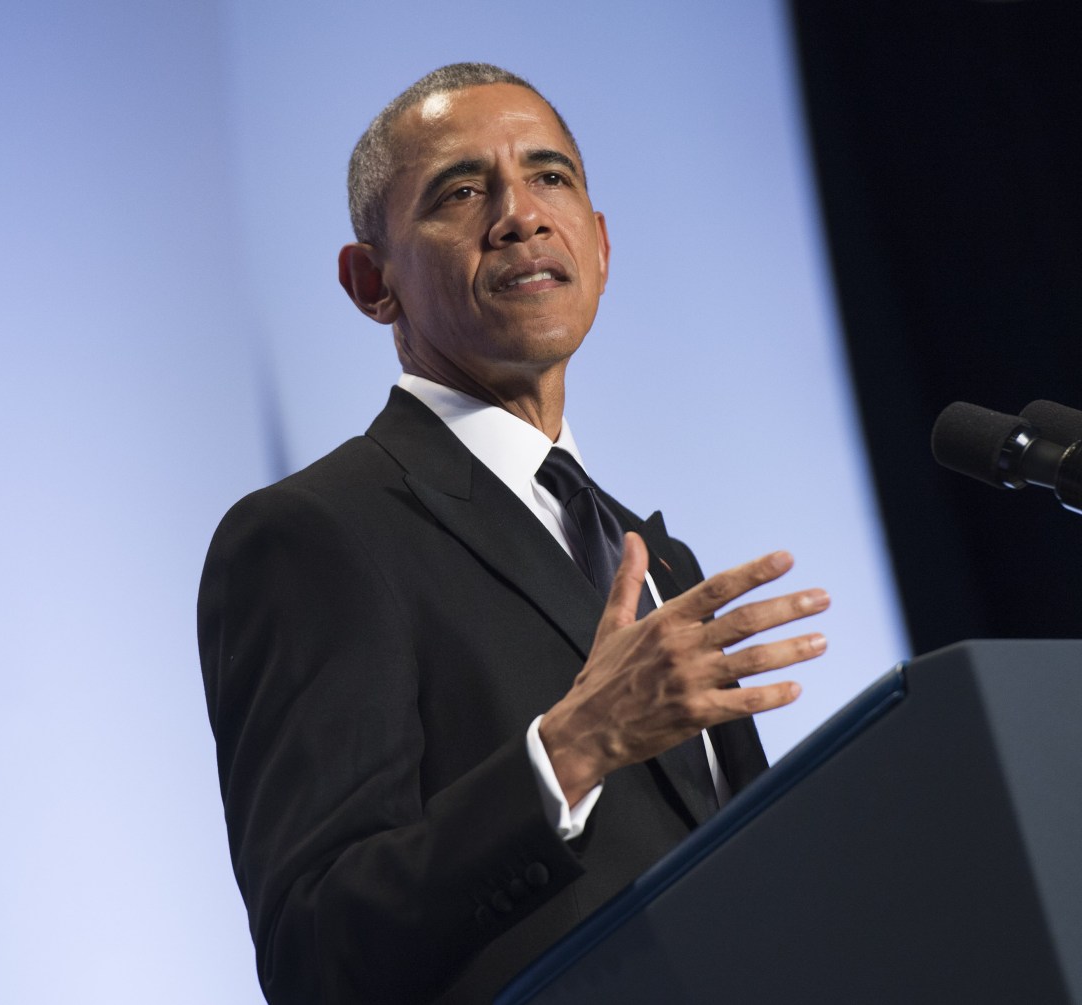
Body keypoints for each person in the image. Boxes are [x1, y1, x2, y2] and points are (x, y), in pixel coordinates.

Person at [197, 63, 829, 1005]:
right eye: (460, 191)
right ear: (373, 283)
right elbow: (313, 952)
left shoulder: (656, 562)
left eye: (551, 178)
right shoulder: (312, 536)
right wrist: (568, 750)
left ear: (601, 248)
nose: (520, 215)